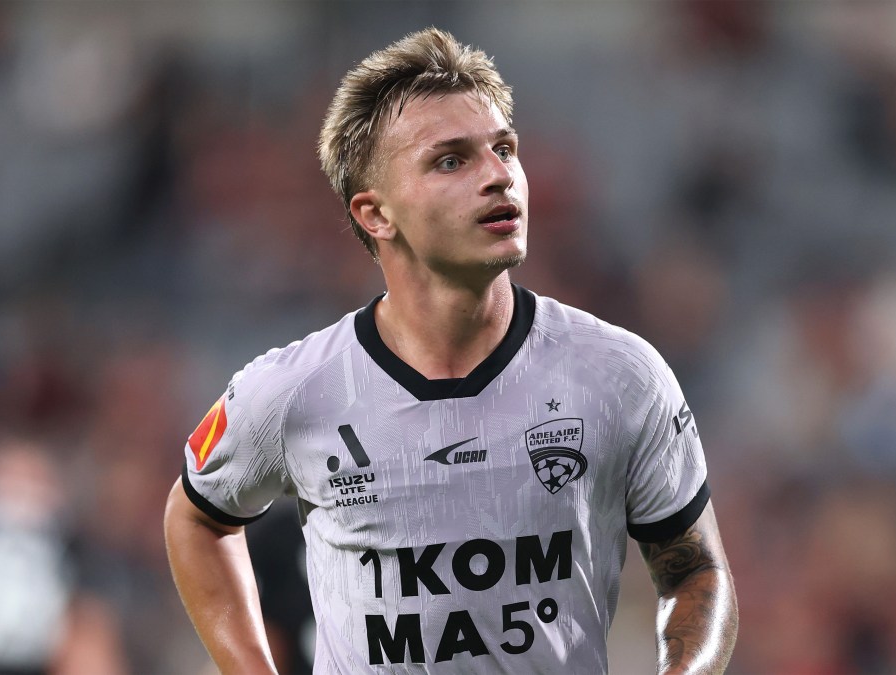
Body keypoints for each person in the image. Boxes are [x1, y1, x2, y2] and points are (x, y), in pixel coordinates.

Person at [164, 28, 738, 674]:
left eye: (504, 149)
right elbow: (196, 517)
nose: (498, 176)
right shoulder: (295, 391)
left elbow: (696, 570)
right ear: (376, 214)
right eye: (451, 161)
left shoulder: (620, 374)